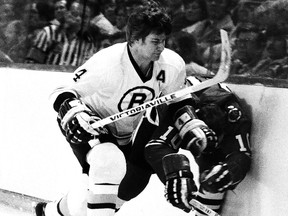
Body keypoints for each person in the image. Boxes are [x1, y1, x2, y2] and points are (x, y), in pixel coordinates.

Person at [34, 1, 215, 216]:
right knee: (109, 162)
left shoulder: (172, 64)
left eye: (163, 41)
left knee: (128, 184)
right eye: (155, 41)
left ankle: (52, 212)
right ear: (134, 40)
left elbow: (177, 100)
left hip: (126, 132)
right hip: (91, 124)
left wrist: (189, 122)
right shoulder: (107, 63)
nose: (161, 47)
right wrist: (74, 113)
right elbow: (61, 91)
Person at [131, 75, 252, 215]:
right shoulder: (179, 111)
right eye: (200, 143)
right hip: (160, 114)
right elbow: (156, 147)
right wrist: (175, 175)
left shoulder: (234, 116)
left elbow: (242, 154)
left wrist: (230, 171)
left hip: (201, 101)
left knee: (214, 177)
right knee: (134, 181)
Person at [25, 0, 96, 66]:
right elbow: (31, 64)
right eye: (75, 14)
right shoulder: (49, 33)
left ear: (89, 20)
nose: (79, 19)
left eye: (85, 17)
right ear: (66, 14)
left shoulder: (89, 42)